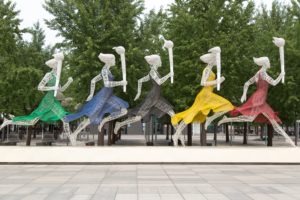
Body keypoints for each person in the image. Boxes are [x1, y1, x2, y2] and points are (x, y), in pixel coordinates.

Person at [218, 38, 295, 147]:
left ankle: (290, 141)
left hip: (260, 98)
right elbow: (273, 83)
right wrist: (280, 76)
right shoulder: (262, 73)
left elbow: (246, 83)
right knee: (268, 119)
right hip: (259, 98)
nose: (269, 63)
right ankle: (290, 141)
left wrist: (244, 94)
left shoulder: (258, 73)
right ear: (264, 63)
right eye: (268, 62)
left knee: (265, 119)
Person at [64, 48, 128, 145]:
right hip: (103, 98)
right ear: (109, 61)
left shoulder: (107, 71)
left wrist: (91, 93)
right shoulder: (105, 71)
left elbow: (93, 80)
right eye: (114, 59)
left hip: (109, 96)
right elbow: (106, 84)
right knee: (90, 119)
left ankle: (103, 121)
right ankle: (74, 134)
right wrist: (120, 83)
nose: (115, 61)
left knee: (123, 110)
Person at [171, 47, 234, 146]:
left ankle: (209, 119)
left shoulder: (211, 70)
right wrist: (217, 81)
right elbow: (203, 83)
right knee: (191, 114)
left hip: (208, 94)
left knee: (227, 106)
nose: (217, 61)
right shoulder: (207, 70)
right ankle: (176, 135)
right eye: (215, 59)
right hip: (205, 95)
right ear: (211, 60)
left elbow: (210, 84)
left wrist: (218, 82)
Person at [0, 53, 73, 137]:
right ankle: (9, 121)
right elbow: (40, 87)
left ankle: (8, 121)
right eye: (56, 63)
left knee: (35, 120)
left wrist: (68, 82)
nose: (58, 65)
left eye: (58, 63)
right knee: (33, 120)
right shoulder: (48, 75)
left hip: (54, 100)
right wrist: (52, 87)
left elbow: (61, 90)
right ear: (53, 65)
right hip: (48, 100)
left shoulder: (57, 77)